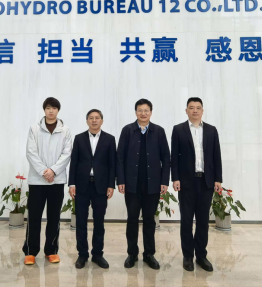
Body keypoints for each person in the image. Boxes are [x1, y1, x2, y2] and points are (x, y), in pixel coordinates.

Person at [117, 99, 170, 270]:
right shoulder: (127, 130)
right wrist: (121, 180)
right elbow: (119, 158)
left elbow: (166, 158)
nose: (143, 113)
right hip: (131, 184)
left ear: (151, 112)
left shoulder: (159, 131)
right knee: (132, 219)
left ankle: (149, 254)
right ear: (135, 112)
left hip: (152, 185)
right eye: (140, 110)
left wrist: (164, 181)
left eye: (146, 110)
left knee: (149, 220)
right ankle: (132, 254)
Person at [171, 97, 223, 272]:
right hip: (186, 182)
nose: (195, 110)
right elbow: (174, 157)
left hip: (206, 182)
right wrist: (175, 178)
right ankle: (187, 256)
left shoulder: (211, 130)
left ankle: (201, 255)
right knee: (186, 221)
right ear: (186, 111)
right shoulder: (178, 130)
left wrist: (218, 179)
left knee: (203, 221)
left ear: (202, 110)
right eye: (191, 107)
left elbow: (216, 156)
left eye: (198, 107)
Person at [23, 97, 72, 265]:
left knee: (54, 217)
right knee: (34, 217)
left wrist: (53, 171)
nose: (51, 111)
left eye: (54, 108)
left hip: (56, 181)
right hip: (37, 180)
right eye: (48, 108)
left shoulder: (65, 130)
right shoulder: (34, 129)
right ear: (44, 110)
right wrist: (44, 171)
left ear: (58, 110)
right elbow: (30, 152)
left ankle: (51, 250)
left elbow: (67, 154)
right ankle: (30, 251)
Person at [68, 109, 116, 269]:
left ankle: (97, 254)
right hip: (82, 185)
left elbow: (112, 165)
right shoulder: (79, 138)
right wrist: (72, 184)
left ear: (102, 120)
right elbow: (74, 162)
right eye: (91, 118)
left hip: (101, 186)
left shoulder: (110, 139)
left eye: (97, 118)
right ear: (87, 121)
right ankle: (82, 255)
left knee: (99, 222)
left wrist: (111, 185)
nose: (94, 120)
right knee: (80, 222)